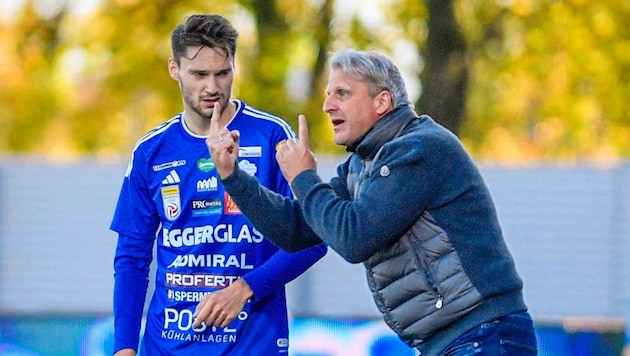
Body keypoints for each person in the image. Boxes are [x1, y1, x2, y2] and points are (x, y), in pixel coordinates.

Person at [206, 48, 538, 355]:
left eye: (342, 93)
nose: (327, 105)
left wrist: (303, 177)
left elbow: (355, 238)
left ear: (381, 102)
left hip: (483, 334)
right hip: (455, 339)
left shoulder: (419, 148)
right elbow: (295, 230)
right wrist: (232, 176)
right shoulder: (361, 166)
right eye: (327, 95)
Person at [110, 14, 327, 356]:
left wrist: (244, 288)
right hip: (167, 345)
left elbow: (314, 240)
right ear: (174, 69)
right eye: (199, 74)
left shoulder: (271, 136)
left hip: (253, 345)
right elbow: (131, 257)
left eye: (222, 73)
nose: (212, 87)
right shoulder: (151, 152)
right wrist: (124, 348)